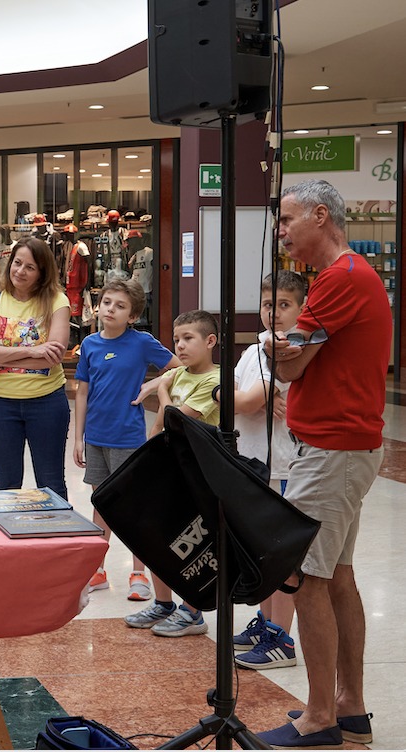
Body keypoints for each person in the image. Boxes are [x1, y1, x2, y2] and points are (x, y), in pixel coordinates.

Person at [256, 179, 389, 749]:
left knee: (306, 577)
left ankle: (319, 717)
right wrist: (284, 347)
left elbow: (290, 367)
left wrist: (275, 349)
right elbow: (298, 356)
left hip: (333, 450)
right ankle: (349, 708)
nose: (281, 232)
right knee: (336, 575)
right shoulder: (350, 275)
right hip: (344, 447)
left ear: (319, 215)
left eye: (287, 220)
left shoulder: (339, 278)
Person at [72, 279, 179, 599]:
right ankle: (98, 569)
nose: (111, 310)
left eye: (120, 306)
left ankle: (138, 572)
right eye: (107, 303)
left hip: (128, 438)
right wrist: (78, 438)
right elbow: (82, 392)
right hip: (96, 438)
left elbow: (178, 368)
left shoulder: (142, 342)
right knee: (101, 503)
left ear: (132, 316)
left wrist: (153, 385)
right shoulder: (89, 344)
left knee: (134, 507)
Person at [223, 271, 305, 670]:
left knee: (282, 555)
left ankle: (281, 639)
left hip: (282, 466)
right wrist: (236, 396)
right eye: (269, 304)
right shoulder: (253, 351)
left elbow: (242, 400)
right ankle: (266, 623)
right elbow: (230, 394)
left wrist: (235, 397)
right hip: (253, 462)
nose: (274, 312)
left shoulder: (294, 352)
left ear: (301, 309)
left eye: (284, 305)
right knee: (261, 552)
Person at [124, 309, 219, 638]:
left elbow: (176, 418)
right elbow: (159, 425)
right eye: (177, 339)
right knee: (157, 535)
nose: (179, 346)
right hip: (168, 468)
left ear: (210, 341)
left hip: (196, 474)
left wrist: (162, 390)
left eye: (188, 338)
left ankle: (192, 611)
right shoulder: (178, 375)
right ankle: (163, 603)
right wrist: (149, 457)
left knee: (191, 544)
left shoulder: (213, 380)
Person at [0, 237, 71, 499]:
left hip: (47, 402)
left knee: (51, 484)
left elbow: (53, 357)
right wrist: (32, 351)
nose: (20, 271)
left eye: (30, 267)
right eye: (17, 263)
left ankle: (57, 528)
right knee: (6, 486)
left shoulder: (57, 301)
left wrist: (0, 355)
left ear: (42, 272)